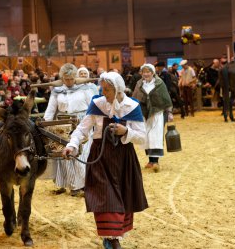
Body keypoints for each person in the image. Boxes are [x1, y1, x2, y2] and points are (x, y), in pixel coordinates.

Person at [62, 71, 148, 249]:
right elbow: (82, 129)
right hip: (100, 157)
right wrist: (72, 145)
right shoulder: (97, 104)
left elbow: (142, 137)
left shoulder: (132, 106)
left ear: (118, 90)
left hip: (124, 157)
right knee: (104, 197)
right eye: (103, 89)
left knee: (123, 196)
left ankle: (115, 236)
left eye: (107, 90)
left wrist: (125, 132)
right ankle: (111, 238)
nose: (103, 93)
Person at [44, 63, 98, 196]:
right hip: (63, 125)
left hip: (82, 122)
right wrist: (46, 124)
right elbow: (51, 109)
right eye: (66, 79)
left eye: (71, 79)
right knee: (65, 155)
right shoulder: (57, 91)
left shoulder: (85, 89)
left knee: (81, 154)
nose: (68, 82)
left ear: (75, 77)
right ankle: (72, 185)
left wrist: (92, 123)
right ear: (62, 78)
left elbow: (92, 107)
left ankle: (83, 185)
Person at [132, 63, 173, 172]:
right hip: (144, 113)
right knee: (147, 137)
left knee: (155, 136)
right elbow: (135, 97)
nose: (146, 74)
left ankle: (155, 161)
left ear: (152, 72)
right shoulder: (139, 84)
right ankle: (150, 160)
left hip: (157, 113)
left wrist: (169, 112)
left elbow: (166, 98)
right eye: (144, 72)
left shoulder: (159, 83)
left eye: (148, 72)